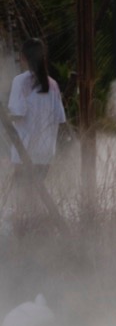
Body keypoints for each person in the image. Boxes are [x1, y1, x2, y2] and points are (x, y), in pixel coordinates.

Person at [6, 39, 67, 209]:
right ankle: (39, 230)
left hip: (25, 152)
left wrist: (6, 117)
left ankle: (22, 233)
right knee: (35, 199)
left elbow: (18, 114)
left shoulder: (20, 81)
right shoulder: (53, 85)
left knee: (19, 202)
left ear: (23, 57)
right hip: (46, 154)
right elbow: (60, 119)